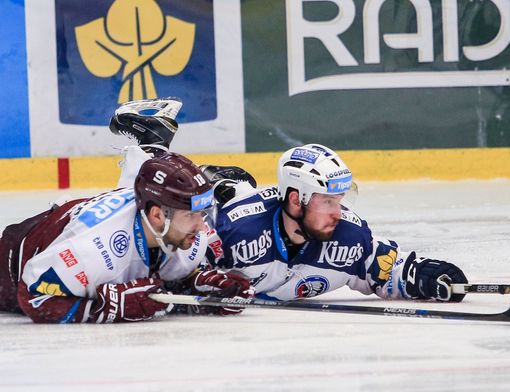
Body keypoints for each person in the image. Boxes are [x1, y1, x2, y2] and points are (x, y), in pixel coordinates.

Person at [0, 141, 249, 323]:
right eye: (191, 215)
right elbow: (33, 297)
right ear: (157, 215)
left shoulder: (183, 233)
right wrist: (107, 309)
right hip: (11, 268)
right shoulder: (95, 250)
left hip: (58, 225)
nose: (201, 225)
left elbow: (160, 280)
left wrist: (200, 284)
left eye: (202, 213)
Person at [202, 143, 468, 302]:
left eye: (338, 200)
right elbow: (178, 264)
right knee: (224, 192)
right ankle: (225, 183)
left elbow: (383, 268)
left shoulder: (347, 236)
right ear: (296, 200)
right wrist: (197, 286)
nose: (337, 213)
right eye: (327, 202)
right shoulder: (236, 230)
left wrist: (422, 275)